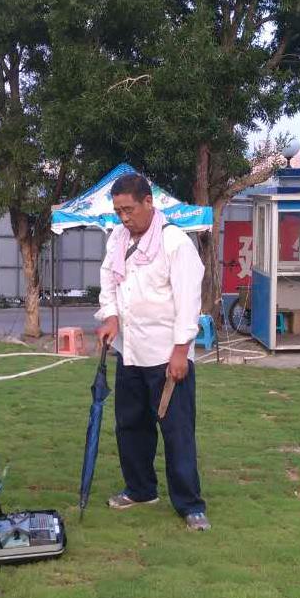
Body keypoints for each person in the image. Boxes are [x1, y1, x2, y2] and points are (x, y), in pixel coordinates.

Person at [94, 173, 210, 531]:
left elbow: (189, 301)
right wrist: (110, 317)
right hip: (129, 351)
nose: (124, 218)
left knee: (176, 432)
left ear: (149, 203)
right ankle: (141, 489)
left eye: (128, 209)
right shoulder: (117, 238)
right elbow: (108, 282)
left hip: (167, 355)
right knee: (130, 426)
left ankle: (190, 504)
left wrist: (181, 351)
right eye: (117, 211)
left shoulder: (175, 242)